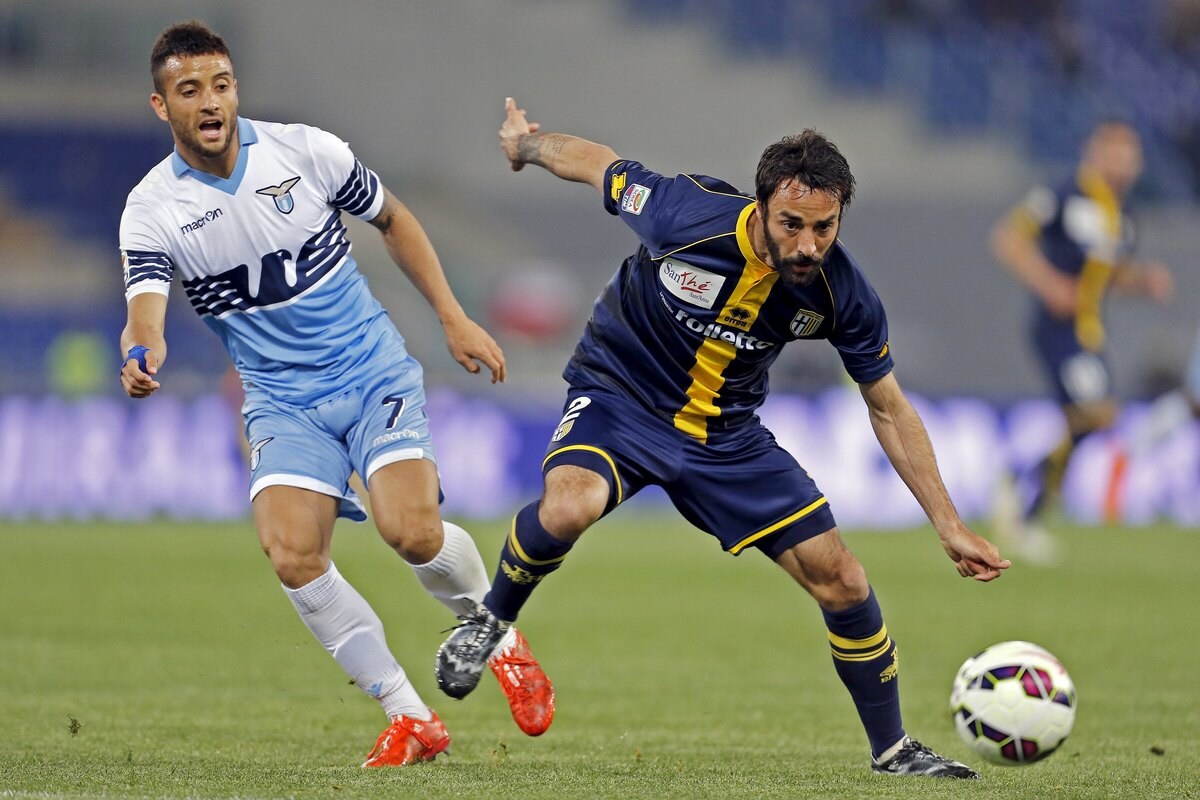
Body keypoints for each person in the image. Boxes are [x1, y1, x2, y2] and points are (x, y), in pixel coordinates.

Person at [435, 97, 1011, 779]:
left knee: (844, 580)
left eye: (824, 227)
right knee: (569, 506)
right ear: (760, 207)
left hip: (726, 436)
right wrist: (525, 146)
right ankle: (490, 622)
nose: (808, 244)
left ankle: (892, 750)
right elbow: (595, 163)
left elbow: (887, 408)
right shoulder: (682, 215)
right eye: (792, 223)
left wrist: (948, 524)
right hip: (621, 396)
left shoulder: (841, 292)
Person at [117, 23, 554, 767]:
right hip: (281, 400)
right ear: (162, 106)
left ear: (235, 88)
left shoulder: (305, 151)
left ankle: (501, 637)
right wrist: (141, 354)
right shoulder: (153, 208)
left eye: (221, 84)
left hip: (369, 370)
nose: (211, 101)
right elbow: (145, 314)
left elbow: (394, 219)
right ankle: (410, 716)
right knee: (292, 554)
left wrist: (451, 316)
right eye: (190, 90)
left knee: (410, 533)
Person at [989, 121, 1173, 557]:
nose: (1122, 165)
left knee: (1090, 420)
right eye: (1114, 154)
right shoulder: (1063, 194)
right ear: (1094, 153)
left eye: (1129, 157)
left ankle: (1023, 490)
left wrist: (1142, 281)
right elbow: (1008, 238)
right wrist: (1049, 283)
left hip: (1089, 332)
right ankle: (1024, 497)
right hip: (1058, 329)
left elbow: (1111, 275)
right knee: (1097, 413)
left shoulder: (1124, 216)